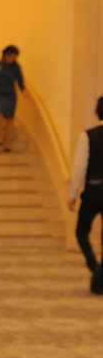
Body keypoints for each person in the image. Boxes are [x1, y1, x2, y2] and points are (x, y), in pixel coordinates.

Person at [68, 95, 103, 294]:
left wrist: (73, 193)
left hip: (92, 191)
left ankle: (94, 267)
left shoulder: (87, 135)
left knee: (81, 232)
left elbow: (80, 167)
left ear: (95, 112)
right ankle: (101, 273)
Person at [0, 45, 31, 152]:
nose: (11, 58)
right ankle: (1, 134)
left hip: (10, 95)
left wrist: (24, 91)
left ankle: (7, 142)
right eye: (10, 56)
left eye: (14, 56)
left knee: (10, 118)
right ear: (5, 55)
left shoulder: (16, 67)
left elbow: (20, 81)